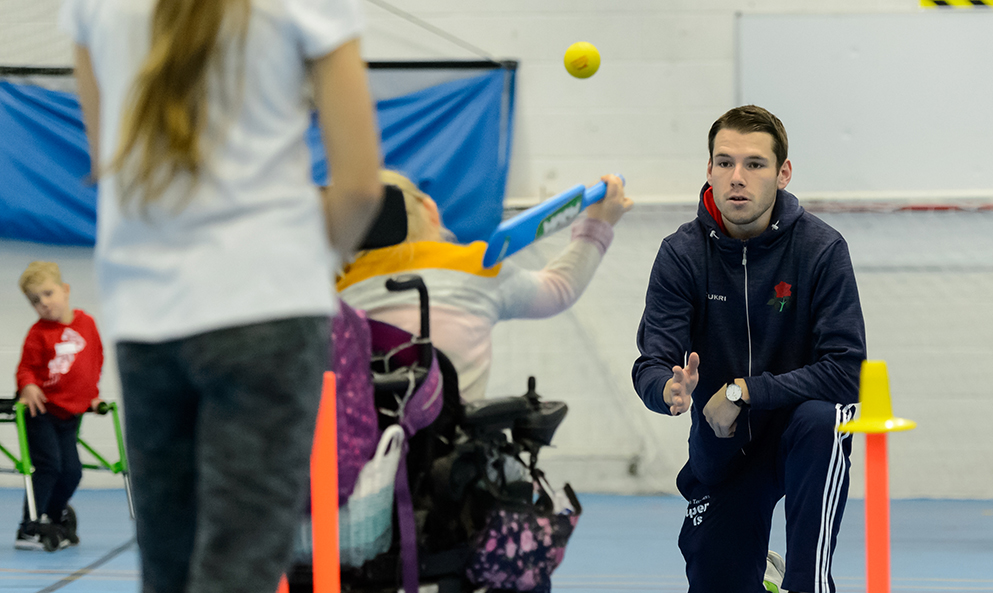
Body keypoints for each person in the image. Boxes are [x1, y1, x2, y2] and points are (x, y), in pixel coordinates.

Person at [61, 0, 383, 590]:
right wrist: (307, 265)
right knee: (240, 569)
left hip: (147, 312)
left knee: (169, 570)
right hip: (269, 307)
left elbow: (111, 160)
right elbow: (362, 187)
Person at [631, 105, 866, 593]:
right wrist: (666, 390)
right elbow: (653, 362)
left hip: (801, 435)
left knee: (825, 419)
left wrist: (743, 391)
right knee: (719, 575)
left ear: (782, 174)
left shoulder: (821, 249)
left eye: (755, 164)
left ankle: (807, 581)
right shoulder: (682, 254)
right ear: (710, 170)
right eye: (724, 162)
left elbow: (848, 372)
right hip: (723, 444)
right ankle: (758, 568)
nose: (737, 178)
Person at [337, 170, 633, 401]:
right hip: (454, 456)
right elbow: (559, 289)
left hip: (362, 453)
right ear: (430, 212)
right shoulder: (476, 267)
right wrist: (599, 223)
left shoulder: (336, 292)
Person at [14, 261, 104, 551]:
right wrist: (28, 385)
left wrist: (92, 394)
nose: (43, 303)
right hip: (42, 412)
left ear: (65, 290)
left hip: (70, 414)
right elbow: (25, 368)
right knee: (49, 466)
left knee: (72, 472)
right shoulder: (38, 334)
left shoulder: (86, 324)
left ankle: (52, 515)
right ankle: (28, 526)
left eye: (48, 294)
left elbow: (94, 361)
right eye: (35, 301)